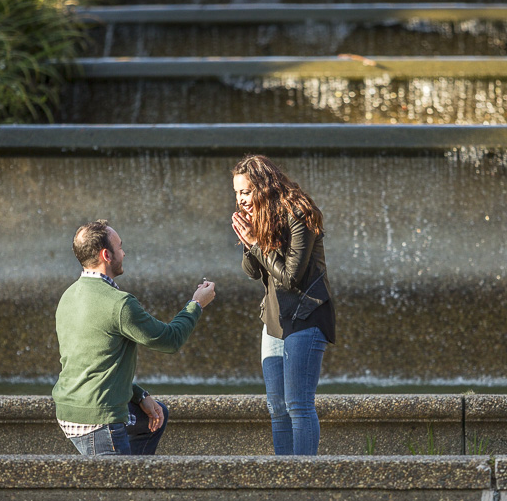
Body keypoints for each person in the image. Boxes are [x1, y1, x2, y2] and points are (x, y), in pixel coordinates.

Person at [52, 220, 215, 456]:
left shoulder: (68, 295)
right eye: (120, 247)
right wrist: (197, 304)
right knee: (119, 492)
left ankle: (137, 472)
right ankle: (133, 482)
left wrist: (139, 395)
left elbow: (91, 364)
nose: (124, 252)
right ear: (107, 254)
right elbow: (170, 340)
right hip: (97, 418)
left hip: (68, 409)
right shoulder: (118, 304)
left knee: (156, 415)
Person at [231, 155, 336, 456]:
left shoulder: (298, 212)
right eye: (238, 193)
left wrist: (254, 243)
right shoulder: (260, 217)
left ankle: (303, 480)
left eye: (246, 191)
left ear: (264, 186)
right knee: (277, 408)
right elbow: (253, 273)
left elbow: (291, 277)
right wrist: (249, 240)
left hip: (306, 316)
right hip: (275, 322)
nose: (241, 199)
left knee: (298, 405)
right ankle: (283, 477)